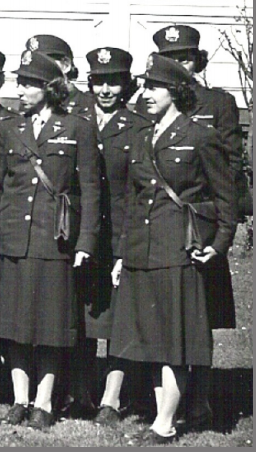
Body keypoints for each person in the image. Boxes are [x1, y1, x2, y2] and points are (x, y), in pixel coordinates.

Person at [108, 55, 237, 445]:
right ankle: (163, 416)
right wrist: (120, 253)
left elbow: (227, 199)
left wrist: (218, 245)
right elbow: (132, 200)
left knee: (174, 341)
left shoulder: (199, 136)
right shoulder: (141, 135)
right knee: (150, 337)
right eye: (144, 87)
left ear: (175, 92)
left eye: (153, 87)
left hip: (179, 249)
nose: (145, 94)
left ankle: (164, 424)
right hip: (141, 252)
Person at [0, 51, 99, 432]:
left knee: (50, 327)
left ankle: (44, 403)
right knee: (14, 326)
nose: (21, 90)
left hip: (55, 241)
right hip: (14, 237)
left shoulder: (77, 127)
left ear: (50, 88)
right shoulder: (8, 127)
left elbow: (92, 192)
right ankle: (19, 399)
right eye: (20, 83)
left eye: (29, 84)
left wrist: (86, 242)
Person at [151, 24, 244, 335]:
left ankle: (202, 382)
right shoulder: (150, 102)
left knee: (202, 310)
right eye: (169, 59)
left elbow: (230, 164)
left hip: (199, 217)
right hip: (160, 216)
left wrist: (210, 214)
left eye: (184, 60)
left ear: (197, 61)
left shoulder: (218, 103)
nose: (178, 67)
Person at [82, 46, 147, 426]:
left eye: (114, 82)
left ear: (126, 85)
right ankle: (83, 390)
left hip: (121, 236)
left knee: (120, 319)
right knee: (84, 315)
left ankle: (112, 397)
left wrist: (126, 247)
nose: (106, 90)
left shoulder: (137, 126)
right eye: (99, 82)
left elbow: (139, 191)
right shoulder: (75, 119)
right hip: (84, 238)